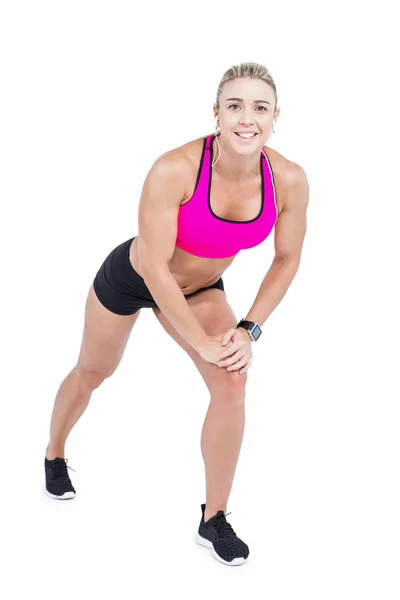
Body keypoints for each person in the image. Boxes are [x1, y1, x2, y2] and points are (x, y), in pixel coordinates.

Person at [44, 62, 309, 566]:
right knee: (94, 371)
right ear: (216, 113)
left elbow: (287, 258)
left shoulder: (289, 180)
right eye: (234, 105)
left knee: (232, 381)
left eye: (259, 107)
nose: (246, 118)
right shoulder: (176, 168)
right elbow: (153, 266)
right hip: (136, 274)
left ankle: (214, 518)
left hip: (201, 287)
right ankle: (54, 452)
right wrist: (202, 341)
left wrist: (248, 329)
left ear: (276, 116)